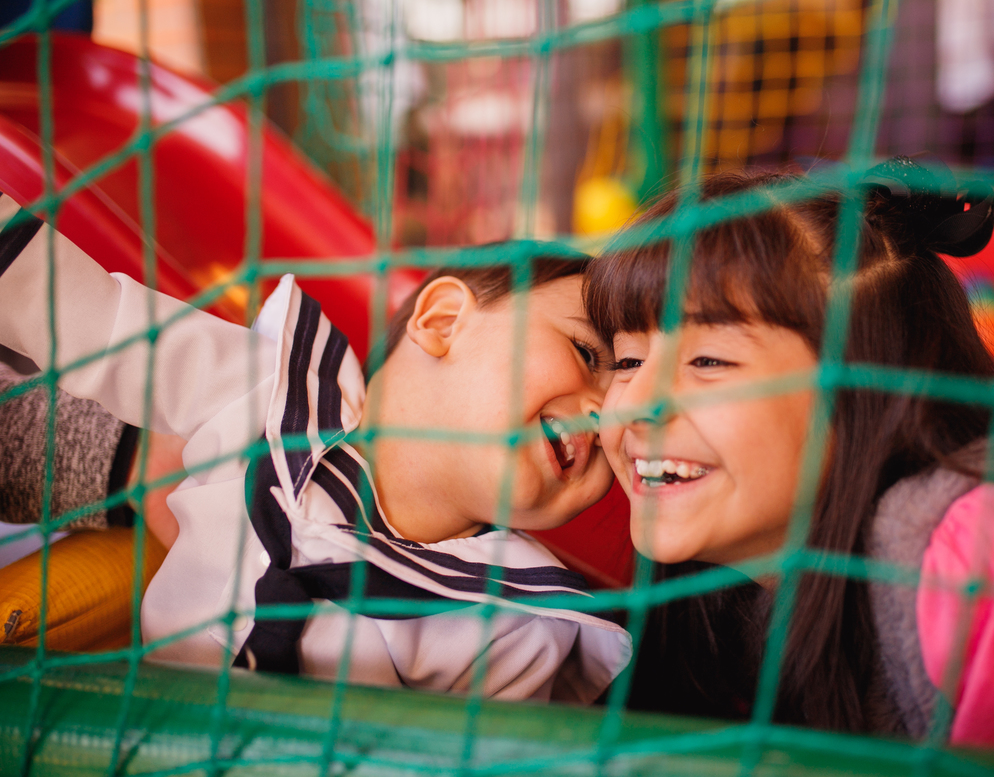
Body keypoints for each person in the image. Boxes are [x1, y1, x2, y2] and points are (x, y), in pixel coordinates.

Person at [585, 161, 994, 760]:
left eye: (708, 362)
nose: (634, 408)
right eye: (627, 362)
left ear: (863, 389)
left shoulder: (993, 543)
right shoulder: (717, 597)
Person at [0, 193, 630, 702]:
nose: (606, 416)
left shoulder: (512, 626)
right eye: (584, 353)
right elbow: (99, 323)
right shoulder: (270, 389)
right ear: (442, 322)